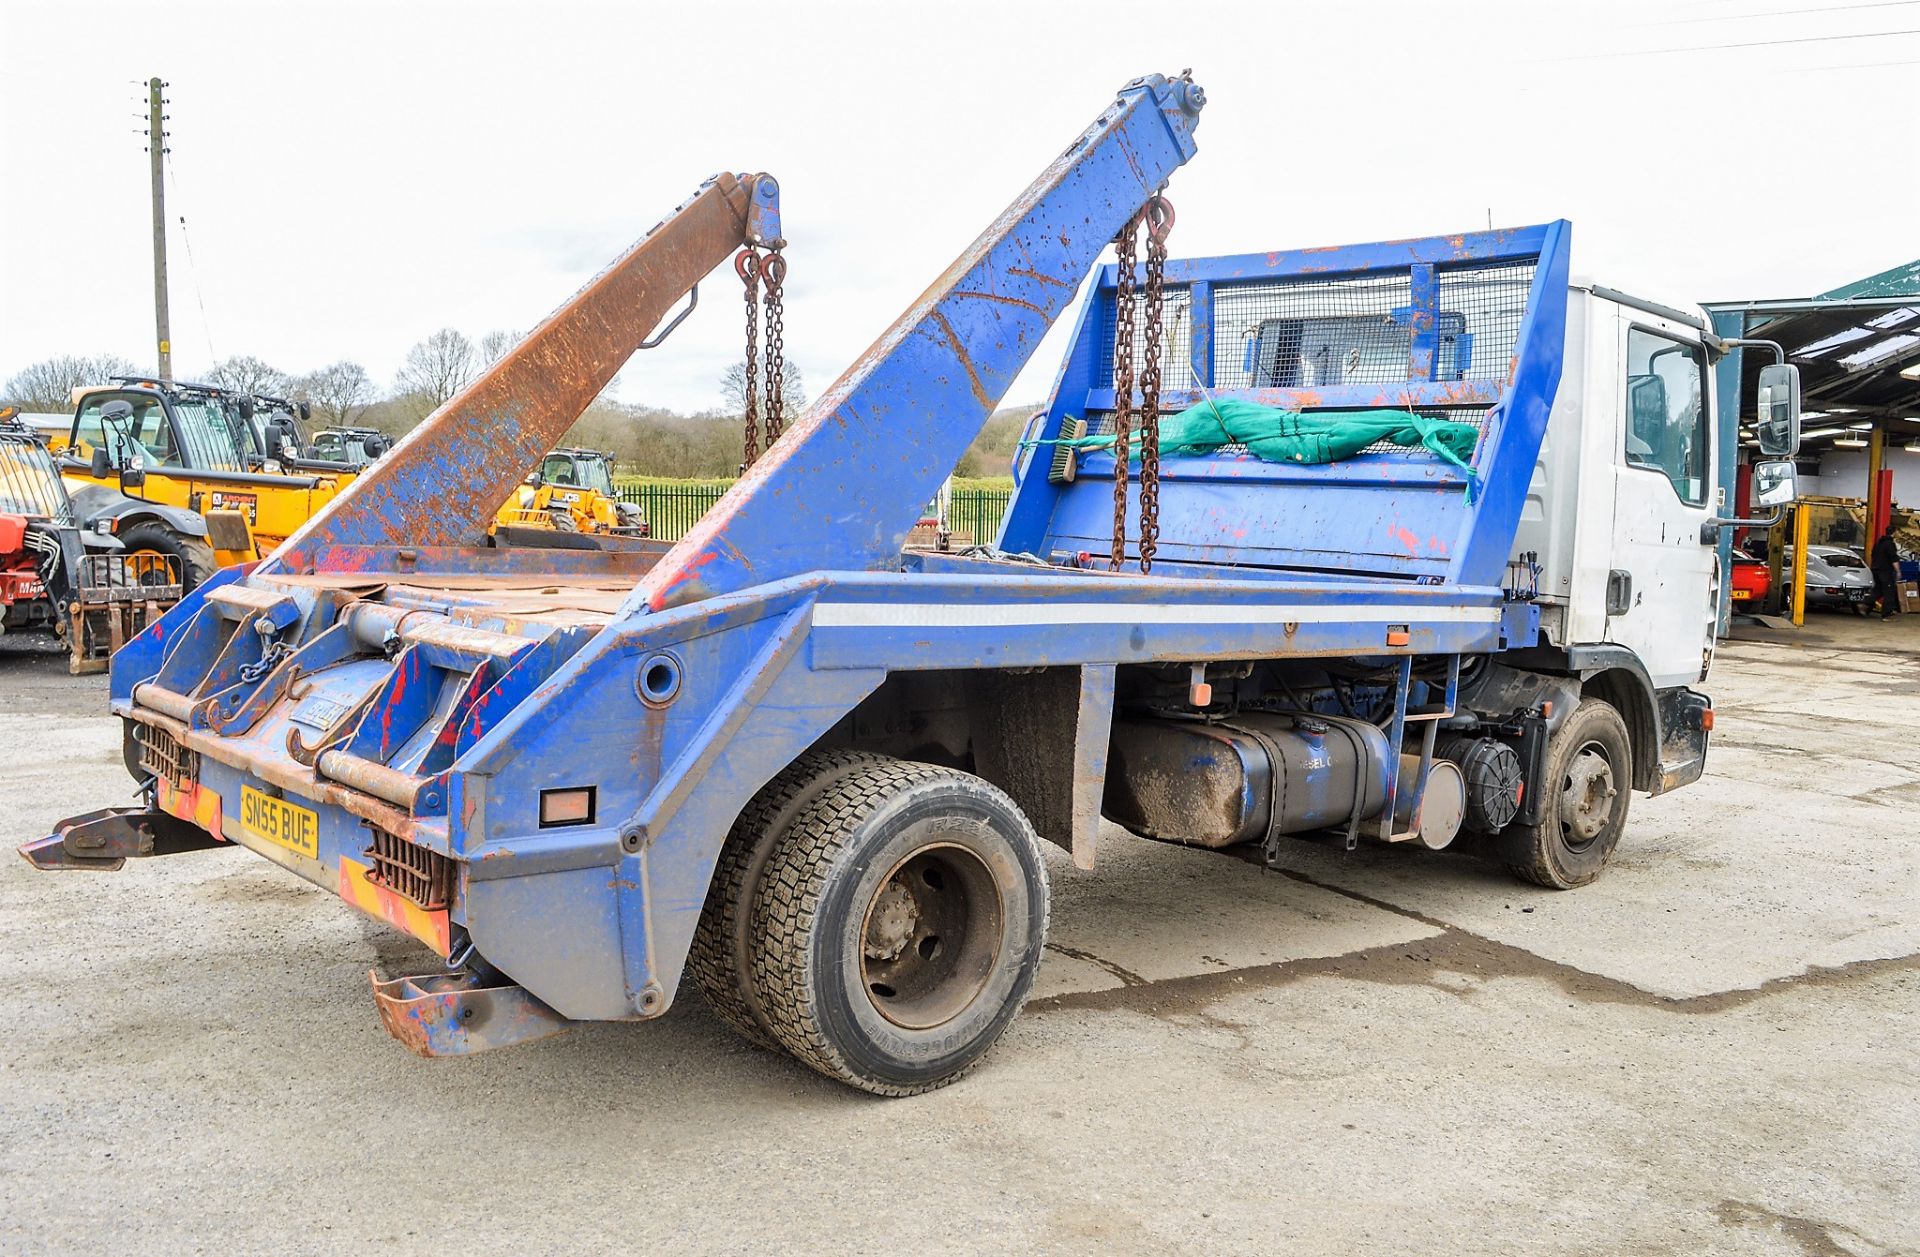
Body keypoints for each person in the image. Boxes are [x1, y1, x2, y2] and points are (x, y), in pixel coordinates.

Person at [1869, 528, 1901, 620]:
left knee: (1877, 591)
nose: (1898, 534)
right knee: (1889, 593)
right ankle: (1886, 615)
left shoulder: (1879, 542)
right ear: (1894, 532)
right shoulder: (1890, 544)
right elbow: (1893, 559)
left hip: (1876, 570)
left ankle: (1864, 606)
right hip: (1885, 572)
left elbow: (1873, 554)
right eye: (1898, 532)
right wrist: (1898, 571)